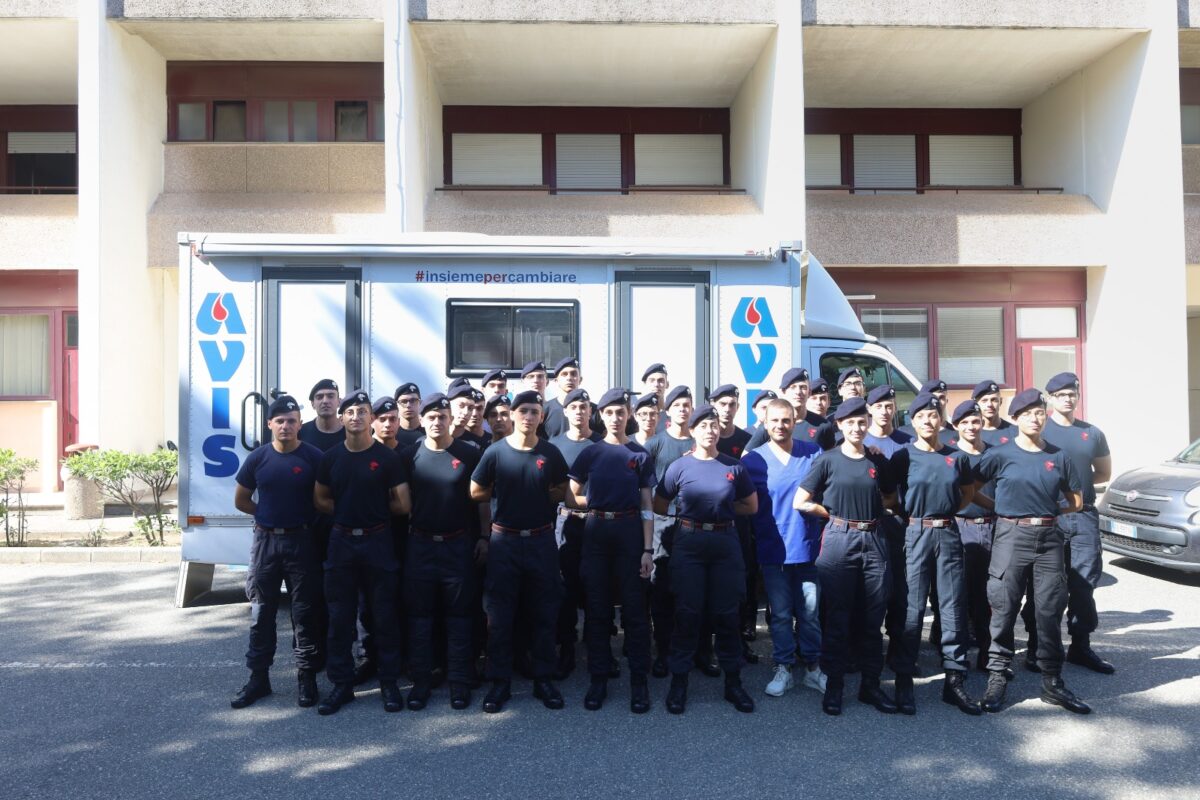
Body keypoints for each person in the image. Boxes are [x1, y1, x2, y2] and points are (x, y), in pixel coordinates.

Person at [974, 388, 1090, 715]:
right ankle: (997, 677)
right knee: (1004, 605)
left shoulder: (1058, 456)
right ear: (1016, 419)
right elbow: (969, 489)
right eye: (1027, 414)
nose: (1035, 418)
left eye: (1039, 412)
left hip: (1049, 538)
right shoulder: (999, 454)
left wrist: (1049, 516)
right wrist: (1001, 508)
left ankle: (1052, 681)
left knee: (1050, 609)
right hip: (1011, 535)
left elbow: (1076, 501)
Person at [794, 397, 900, 716]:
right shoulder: (827, 460)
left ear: (868, 424)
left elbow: (890, 495)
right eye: (849, 422)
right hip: (840, 539)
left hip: (874, 538)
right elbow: (801, 501)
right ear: (839, 425)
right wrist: (832, 514)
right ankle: (835, 687)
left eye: (861, 421)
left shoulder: (876, 459)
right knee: (838, 617)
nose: (857, 426)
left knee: (872, 618)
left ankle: (870, 686)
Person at [654, 403, 759, 714]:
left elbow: (750, 506)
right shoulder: (679, 467)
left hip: (725, 543)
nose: (710, 431)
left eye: (714, 426)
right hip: (689, 542)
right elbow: (661, 504)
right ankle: (679, 682)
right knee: (687, 613)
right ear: (692, 431)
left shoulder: (734, 466)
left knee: (727, 614)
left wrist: (722, 514)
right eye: (703, 426)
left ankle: (733, 683)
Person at [469, 390, 570, 713]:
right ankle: (500, 681)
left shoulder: (550, 453)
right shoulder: (495, 452)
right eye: (523, 410)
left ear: (542, 417)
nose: (528, 416)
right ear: (512, 415)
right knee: (499, 615)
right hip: (505, 542)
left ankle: (544, 678)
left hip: (541, 540)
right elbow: (476, 491)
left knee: (543, 612)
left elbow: (560, 489)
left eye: (535, 411)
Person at [313, 390, 411, 715]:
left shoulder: (388, 458)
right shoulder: (330, 458)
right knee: (340, 618)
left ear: (372, 418)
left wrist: (370, 511)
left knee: (383, 616)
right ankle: (341, 686)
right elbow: (320, 500)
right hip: (341, 542)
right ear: (342, 418)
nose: (356, 417)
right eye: (350, 412)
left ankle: (388, 684)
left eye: (362, 411)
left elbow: (403, 504)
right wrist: (349, 511)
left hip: (377, 541)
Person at [230, 395, 325, 710]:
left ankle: (306, 678)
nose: (286, 426)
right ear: (270, 424)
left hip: (302, 543)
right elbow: (242, 500)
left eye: (292, 420)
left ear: (300, 424)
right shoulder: (258, 458)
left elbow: (324, 499)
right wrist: (266, 515)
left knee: (304, 614)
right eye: (280, 421)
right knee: (261, 613)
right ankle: (259, 680)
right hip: (266, 544)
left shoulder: (314, 457)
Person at [889, 393, 981, 715]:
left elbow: (968, 492)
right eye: (921, 416)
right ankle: (903, 680)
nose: (928, 421)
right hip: (916, 533)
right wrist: (915, 516)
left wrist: (945, 512)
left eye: (933, 415)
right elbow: (889, 496)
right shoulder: (903, 457)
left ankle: (954, 681)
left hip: (948, 531)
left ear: (942, 421)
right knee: (911, 608)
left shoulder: (957, 458)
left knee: (953, 606)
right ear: (912, 422)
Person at [568, 388, 656, 712]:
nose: (616, 418)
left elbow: (647, 505)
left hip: (630, 533)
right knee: (597, 610)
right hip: (596, 533)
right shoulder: (591, 453)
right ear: (601, 416)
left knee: (634, 611)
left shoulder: (640, 454)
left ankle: (638, 682)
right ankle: (598, 679)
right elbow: (570, 495)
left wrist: (647, 549)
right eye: (610, 412)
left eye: (621, 412)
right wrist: (593, 503)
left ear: (628, 415)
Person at [401, 393, 489, 711]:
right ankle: (421, 683)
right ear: (421, 421)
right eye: (431, 417)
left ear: (451, 419)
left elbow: (481, 501)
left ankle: (460, 683)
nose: (437, 422)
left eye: (442, 416)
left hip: (458, 545)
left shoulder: (470, 453)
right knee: (421, 619)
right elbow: (403, 501)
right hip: (421, 544)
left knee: (460, 618)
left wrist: (484, 537)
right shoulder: (409, 455)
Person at [1022, 372, 1114, 675]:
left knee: (1084, 584)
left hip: (1084, 515)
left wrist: (1078, 488)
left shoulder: (1092, 433)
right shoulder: (1039, 429)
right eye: (1061, 394)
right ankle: (1038, 645)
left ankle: (1080, 646)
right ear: (1050, 398)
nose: (1068, 399)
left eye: (1072, 394)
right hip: (1050, 515)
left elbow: (1102, 473)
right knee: (1045, 585)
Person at [742, 398, 826, 699]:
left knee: (811, 612)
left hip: (808, 547)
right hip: (773, 550)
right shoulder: (753, 460)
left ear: (795, 422)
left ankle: (814, 668)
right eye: (774, 420)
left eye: (786, 420)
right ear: (765, 422)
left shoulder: (813, 453)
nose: (780, 426)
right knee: (779, 614)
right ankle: (784, 667)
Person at [645, 386, 714, 678]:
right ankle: (663, 652)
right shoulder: (655, 444)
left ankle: (702, 651)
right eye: (678, 405)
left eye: (688, 405)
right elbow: (647, 492)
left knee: (700, 593)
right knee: (663, 593)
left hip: (695, 527)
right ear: (668, 411)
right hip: (664, 524)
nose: (683, 410)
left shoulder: (701, 443)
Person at [549, 387, 604, 679]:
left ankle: (599, 651)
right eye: (574, 407)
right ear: (566, 412)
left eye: (585, 407)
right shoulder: (554, 446)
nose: (580, 412)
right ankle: (567, 649)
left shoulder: (601, 443)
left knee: (597, 589)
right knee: (566, 590)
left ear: (591, 412)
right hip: (566, 523)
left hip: (597, 524)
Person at [862, 384, 912, 673]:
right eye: (879, 405)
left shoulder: (906, 442)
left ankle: (897, 650)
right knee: (868, 592)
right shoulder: (859, 441)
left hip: (897, 523)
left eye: (889, 405)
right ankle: (865, 650)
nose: (884, 410)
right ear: (869, 409)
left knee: (898, 592)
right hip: (868, 524)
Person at [709, 384, 760, 659]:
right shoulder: (705, 438)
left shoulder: (748, 439)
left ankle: (739, 640)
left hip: (738, 522)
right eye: (723, 404)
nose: (727, 409)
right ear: (714, 405)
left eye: (732, 404)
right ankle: (708, 642)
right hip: (710, 523)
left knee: (739, 582)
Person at [951, 399, 999, 674]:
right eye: (965, 422)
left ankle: (987, 653)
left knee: (990, 596)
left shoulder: (994, 455)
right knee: (959, 594)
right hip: (959, 527)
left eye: (975, 421)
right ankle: (958, 657)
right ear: (956, 426)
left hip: (992, 528)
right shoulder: (949, 455)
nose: (971, 427)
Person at [299, 378, 345, 452]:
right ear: (312, 404)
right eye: (319, 397)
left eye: (330, 396)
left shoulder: (350, 432)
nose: (325, 401)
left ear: (339, 402)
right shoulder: (301, 432)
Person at [543, 356, 583, 439]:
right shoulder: (544, 410)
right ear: (556, 381)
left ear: (580, 379)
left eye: (573, 374)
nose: (569, 378)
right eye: (564, 374)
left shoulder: (592, 411)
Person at [972, 380, 1014, 447]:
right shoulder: (970, 433)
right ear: (976, 404)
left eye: (994, 400)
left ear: (1000, 402)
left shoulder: (1014, 432)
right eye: (984, 400)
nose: (989, 404)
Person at [393, 382, 426, 448]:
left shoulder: (429, 431)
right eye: (404, 401)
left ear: (420, 403)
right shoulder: (391, 432)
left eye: (413, 400)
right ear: (396, 405)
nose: (408, 405)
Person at [641, 363, 669, 434]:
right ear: (645, 384)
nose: (656, 385)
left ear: (667, 384)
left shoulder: (672, 415)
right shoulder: (637, 415)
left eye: (660, 381)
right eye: (652, 380)